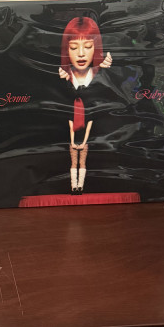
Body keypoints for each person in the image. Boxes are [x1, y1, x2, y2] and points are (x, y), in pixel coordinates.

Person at [58, 17, 112, 194]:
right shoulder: (62, 81)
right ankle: (74, 185)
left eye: (88, 46)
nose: (81, 54)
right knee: (74, 162)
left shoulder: (103, 79)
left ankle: (80, 185)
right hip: (67, 144)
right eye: (74, 48)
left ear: (96, 48)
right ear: (66, 50)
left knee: (82, 163)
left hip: (101, 157)